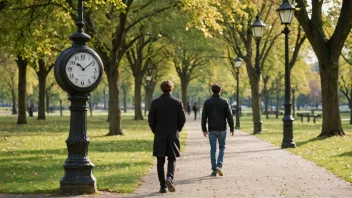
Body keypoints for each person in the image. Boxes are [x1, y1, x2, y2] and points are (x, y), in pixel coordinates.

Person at [148, 80, 186, 193]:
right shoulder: (177, 102)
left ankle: (162, 186)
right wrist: (176, 129)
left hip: (160, 134)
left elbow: (151, 120)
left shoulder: (155, 103)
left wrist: (156, 131)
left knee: (160, 161)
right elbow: (182, 119)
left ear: (161, 89)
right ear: (171, 89)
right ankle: (169, 177)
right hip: (172, 134)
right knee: (172, 158)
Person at [201, 84, 234, 176]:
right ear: (220, 90)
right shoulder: (224, 102)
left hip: (212, 129)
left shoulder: (207, 102)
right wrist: (232, 127)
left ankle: (214, 169)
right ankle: (219, 165)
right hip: (222, 129)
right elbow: (229, 116)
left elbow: (204, 117)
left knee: (213, 149)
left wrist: (204, 129)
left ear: (212, 91)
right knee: (222, 148)